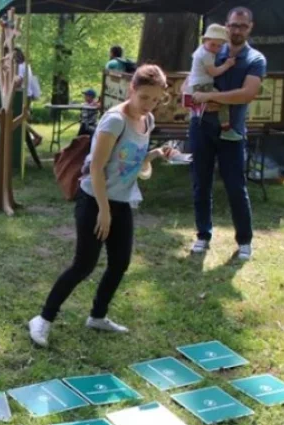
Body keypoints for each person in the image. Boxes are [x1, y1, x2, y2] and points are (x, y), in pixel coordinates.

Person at [29, 66, 173, 347]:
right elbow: (95, 168)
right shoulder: (115, 121)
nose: (149, 104)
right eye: (144, 97)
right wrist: (104, 212)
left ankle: (97, 316)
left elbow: (132, 161)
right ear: (131, 89)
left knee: (120, 263)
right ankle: (43, 319)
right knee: (84, 265)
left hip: (122, 201)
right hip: (94, 200)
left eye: (156, 99)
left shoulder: (147, 120)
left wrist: (155, 154)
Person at [190, 6, 266, 261]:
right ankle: (202, 235)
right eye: (233, 25)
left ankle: (244, 241)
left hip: (232, 131)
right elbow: (191, 82)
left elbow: (247, 94)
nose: (237, 30)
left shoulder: (255, 59)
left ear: (250, 28)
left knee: (235, 186)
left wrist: (212, 97)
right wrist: (198, 98)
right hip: (201, 126)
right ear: (226, 25)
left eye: (242, 26)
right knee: (201, 183)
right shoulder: (212, 49)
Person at [184, 24, 240, 141]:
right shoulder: (206, 55)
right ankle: (225, 129)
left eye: (219, 46)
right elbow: (213, 72)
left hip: (195, 84)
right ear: (205, 40)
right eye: (213, 45)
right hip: (202, 85)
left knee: (198, 111)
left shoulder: (201, 49)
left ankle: (194, 125)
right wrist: (227, 65)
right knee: (223, 100)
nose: (215, 49)